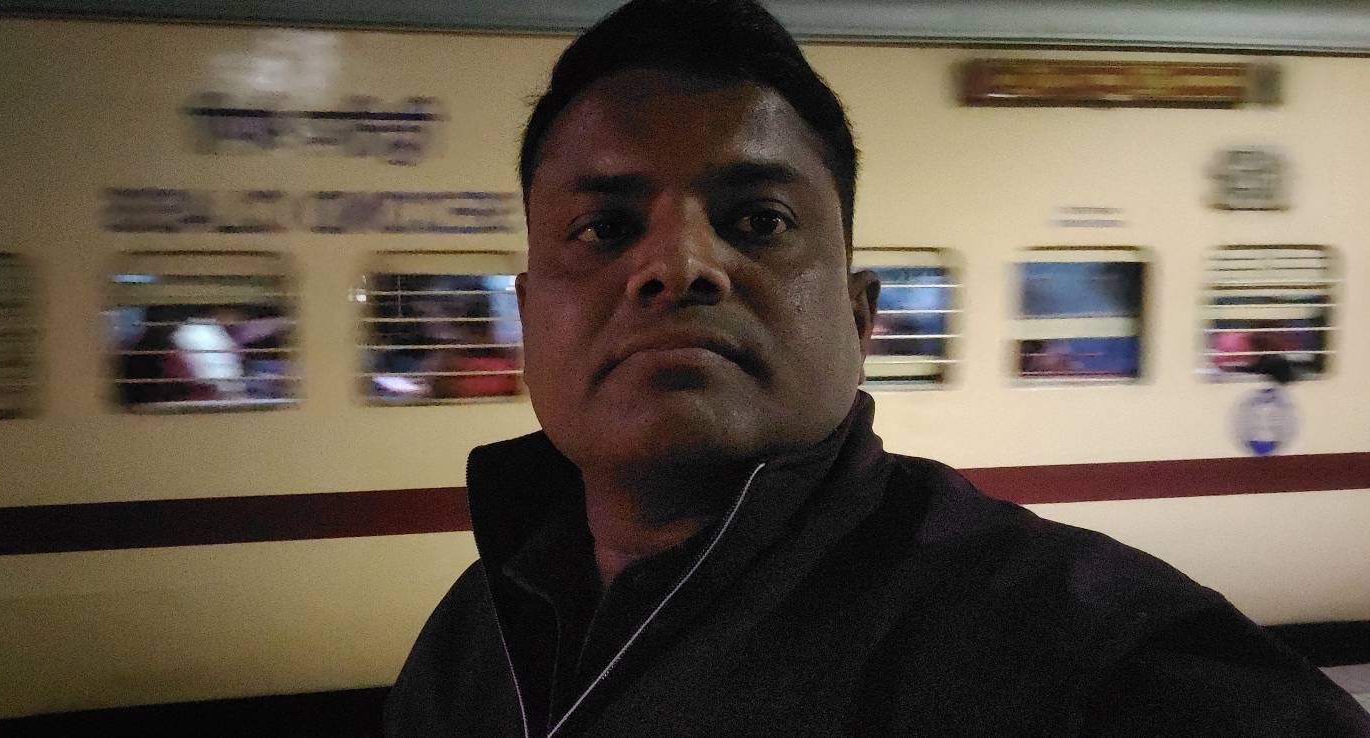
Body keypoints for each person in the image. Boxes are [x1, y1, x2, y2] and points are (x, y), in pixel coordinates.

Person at [383, 1, 1370, 735]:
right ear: (527, 322)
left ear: (860, 319)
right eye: (602, 228)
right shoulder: (476, 637)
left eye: (757, 220)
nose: (678, 264)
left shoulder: (1078, 661)